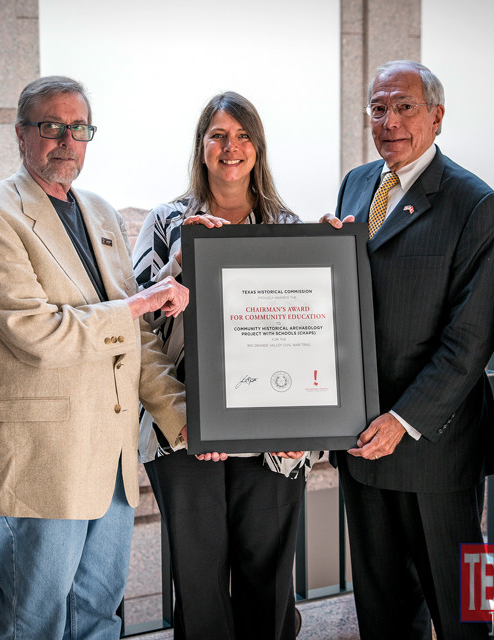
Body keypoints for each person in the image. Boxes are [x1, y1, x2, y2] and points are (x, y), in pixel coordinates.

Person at [0, 76, 189, 640]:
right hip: (42, 461)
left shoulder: (102, 212)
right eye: (51, 126)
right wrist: (138, 304)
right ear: (20, 134)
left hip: (109, 460)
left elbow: (135, 339)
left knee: (99, 617)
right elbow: (34, 334)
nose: (67, 140)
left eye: (79, 128)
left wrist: (183, 423)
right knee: (33, 622)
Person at [323, 60, 494, 639]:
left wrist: (404, 420)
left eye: (404, 107)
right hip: (359, 439)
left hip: (433, 448)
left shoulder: (475, 203)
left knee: (458, 611)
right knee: (381, 607)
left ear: (436, 116)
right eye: (378, 108)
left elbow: (472, 337)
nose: (390, 121)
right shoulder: (356, 183)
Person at [132, 91, 307, 640]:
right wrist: (183, 261)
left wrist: (306, 425)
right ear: (202, 146)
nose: (231, 147)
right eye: (218, 135)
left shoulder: (288, 224)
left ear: (257, 146)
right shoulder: (166, 222)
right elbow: (137, 320)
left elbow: (309, 335)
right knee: (201, 584)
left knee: (268, 578)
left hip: (274, 430)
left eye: (242, 135)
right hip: (186, 431)